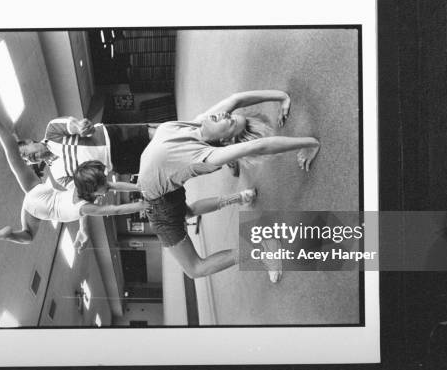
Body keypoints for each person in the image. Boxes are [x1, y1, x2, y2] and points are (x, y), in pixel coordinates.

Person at [136, 90, 321, 283]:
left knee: (195, 269)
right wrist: (282, 96)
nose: (226, 115)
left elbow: (259, 146)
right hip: (165, 192)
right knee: (187, 212)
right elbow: (236, 100)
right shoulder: (196, 124)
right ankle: (242, 197)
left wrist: (310, 143)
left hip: (158, 203)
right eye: (231, 116)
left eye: (230, 122)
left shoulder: (204, 155)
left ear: (225, 140)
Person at [0, 91, 146, 252]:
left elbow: (114, 208)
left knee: (28, 235)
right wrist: (83, 229)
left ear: (29, 141)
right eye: (28, 161)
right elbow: (106, 189)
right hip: (41, 197)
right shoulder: (65, 181)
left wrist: (142, 204)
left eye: (26, 154)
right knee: (14, 160)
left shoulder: (84, 205)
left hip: (46, 202)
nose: (30, 160)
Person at [18, 116, 159, 180]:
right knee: (157, 165)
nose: (28, 158)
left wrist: (82, 128)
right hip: (117, 164)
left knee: (157, 136)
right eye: (25, 161)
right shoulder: (57, 174)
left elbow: (75, 126)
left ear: (29, 141)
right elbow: (84, 189)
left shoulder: (52, 130)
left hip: (114, 137)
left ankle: (180, 133)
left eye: (24, 153)